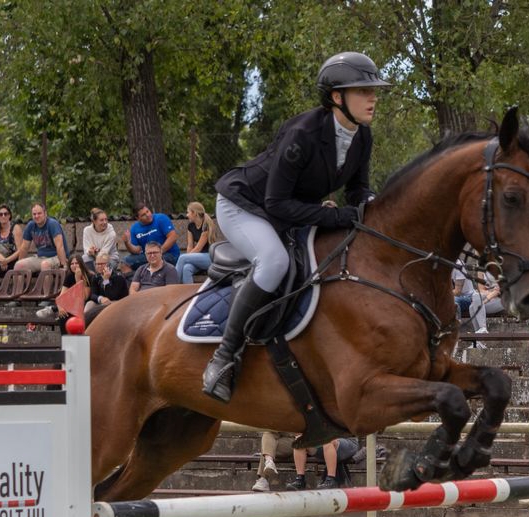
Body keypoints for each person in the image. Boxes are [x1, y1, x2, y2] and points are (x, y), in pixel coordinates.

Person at [202, 51, 390, 403]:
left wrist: (378, 207)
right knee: (274, 262)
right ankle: (223, 358)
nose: (373, 98)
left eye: (373, 91)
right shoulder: (303, 133)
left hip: (288, 210)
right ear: (337, 97)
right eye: (363, 91)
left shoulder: (362, 136)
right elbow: (275, 202)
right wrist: (335, 215)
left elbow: (357, 191)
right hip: (245, 205)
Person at [286, 436, 360, 490]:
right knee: (299, 440)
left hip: (348, 442)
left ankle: (331, 480)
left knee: (328, 440)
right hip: (322, 441)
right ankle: (300, 480)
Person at [121, 204, 179, 270]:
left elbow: (173, 237)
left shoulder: (161, 218)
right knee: (125, 262)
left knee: (154, 261)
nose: (148, 215)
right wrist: (127, 243)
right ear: (138, 218)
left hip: (169, 254)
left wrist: (158, 252)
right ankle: (134, 277)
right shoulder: (134, 228)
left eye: (148, 211)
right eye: (143, 215)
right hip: (148, 256)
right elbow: (137, 250)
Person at [38, 252, 93, 320]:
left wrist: (78, 279)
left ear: (81, 264)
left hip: (84, 304)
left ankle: (53, 309)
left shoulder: (88, 276)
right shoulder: (69, 276)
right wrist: (60, 306)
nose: (74, 266)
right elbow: (61, 296)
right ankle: (55, 309)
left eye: (76, 263)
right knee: (63, 314)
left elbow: (83, 298)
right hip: (71, 303)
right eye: (72, 264)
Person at [16, 203, 69, 272]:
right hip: (40, 258)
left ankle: (47, 280)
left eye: (39, 213)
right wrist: (20, 262)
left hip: (56, 257)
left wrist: (64, 265)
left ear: (45, 214)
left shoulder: (52, 224)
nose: (36, 216)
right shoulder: (31, 225)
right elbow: (24, 248)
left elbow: (60, 246)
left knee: (45, 265)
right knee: (18, 265)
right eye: (34, 214)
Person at [175, 201, 214, 283]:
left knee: (182, 257)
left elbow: (198, 248)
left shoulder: (206, 225)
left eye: (188, 212)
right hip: (197, 257)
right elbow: (190, 246)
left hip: (209, 257)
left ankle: (173, 285)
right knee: (186, 268)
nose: (187, 215)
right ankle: (189, 291)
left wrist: (187, 257)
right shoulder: (191, 226)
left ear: (194, 213)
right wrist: (189, 257)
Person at [0, 204, 25, 276]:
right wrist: (1, 258)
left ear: (9, 215)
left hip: (12, 262)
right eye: (0, 214)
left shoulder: (15, 228)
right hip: (0, 261)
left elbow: (20, 250)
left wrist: (6, 260)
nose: (3, 216)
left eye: (5, 214)